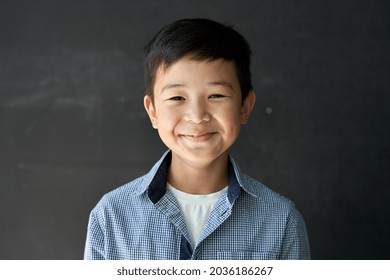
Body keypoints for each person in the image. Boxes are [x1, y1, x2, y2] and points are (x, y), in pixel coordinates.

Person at [84, 18, 310, 260]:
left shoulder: (281, 219)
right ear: (153, 111)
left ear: (245, 106)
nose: (197, 116)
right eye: (177, 98)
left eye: (216, 95)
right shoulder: (111, 215)